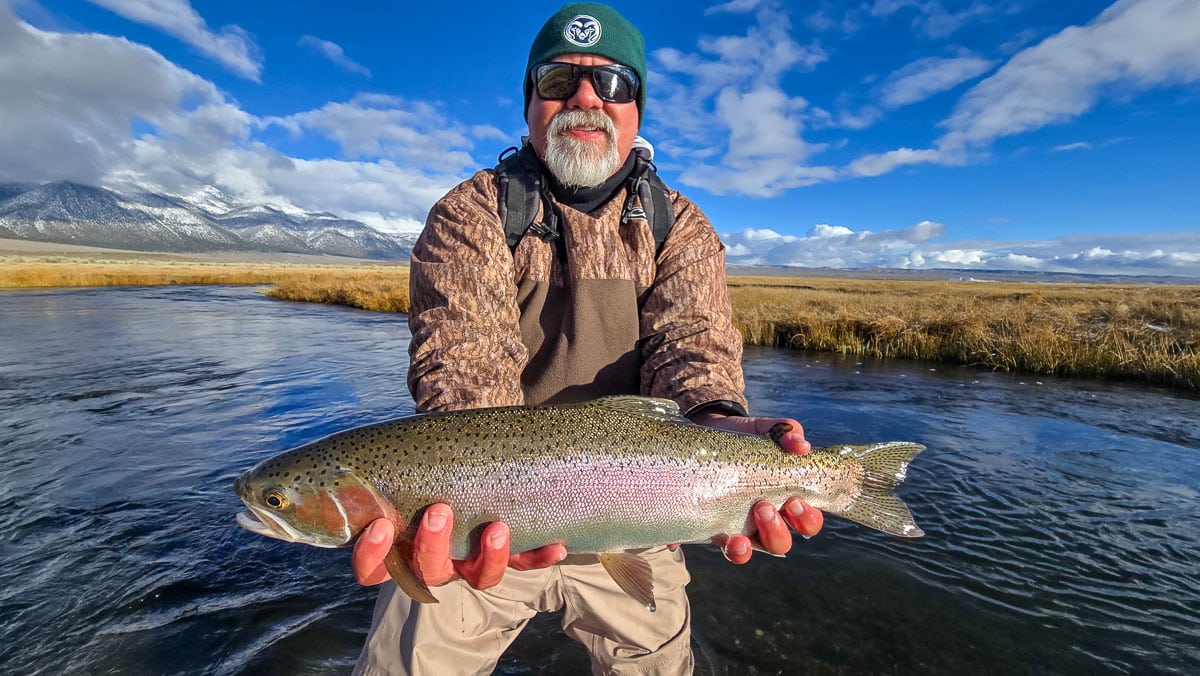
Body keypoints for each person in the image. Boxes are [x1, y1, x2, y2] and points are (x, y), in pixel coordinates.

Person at [352, 4, 823, 674]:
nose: (584, 99)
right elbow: (465, 375)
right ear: (530, 103)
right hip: (487, 524)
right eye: (557, 80)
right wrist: (479, 513)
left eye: (612, 85)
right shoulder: (473, 212)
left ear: (637, 110)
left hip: (642, 511)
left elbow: (691, 352)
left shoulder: (678, 227)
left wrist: (722, 426)